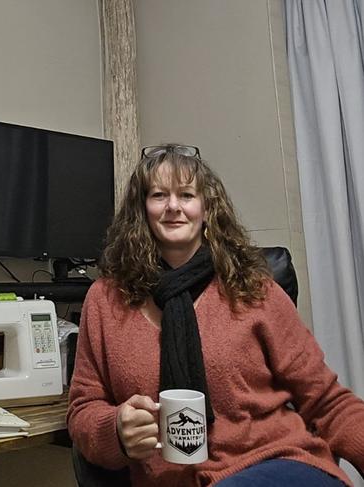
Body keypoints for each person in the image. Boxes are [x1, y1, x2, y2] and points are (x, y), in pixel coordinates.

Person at [67, 144, 364, 486]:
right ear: (141, 210)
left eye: (187, 194)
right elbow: (83, 409)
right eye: (159, 195)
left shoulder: (255, 290)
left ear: (207, 208)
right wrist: (116, 429)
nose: (173, 207)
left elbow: (328, 401)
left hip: (276, 463)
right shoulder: (106, 300)